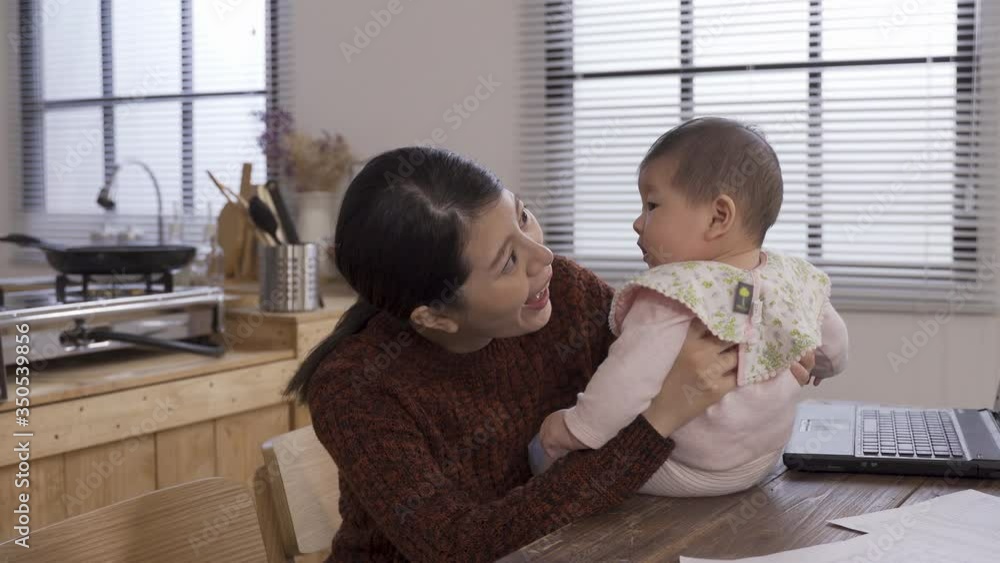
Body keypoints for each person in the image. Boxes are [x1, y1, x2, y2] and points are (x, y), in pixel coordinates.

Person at [285, 146, 816, 562]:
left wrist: (759, 348)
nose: (543, 257)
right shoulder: (359, 389)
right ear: (436, 316)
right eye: (507, 262)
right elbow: (457, 546)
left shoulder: (566, 291)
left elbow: (664, 355)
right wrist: (659, 422)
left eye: (524, 217)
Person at [534, 118, 848, 497]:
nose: (637, 223)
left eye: (652, 205)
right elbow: (834, 346)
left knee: (549, 455)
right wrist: (822, 366)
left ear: (718, 217)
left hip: (688, 469)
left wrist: (574, 428)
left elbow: (626, 384)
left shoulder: (672, 291)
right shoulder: (790, 275)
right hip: (763, 459)